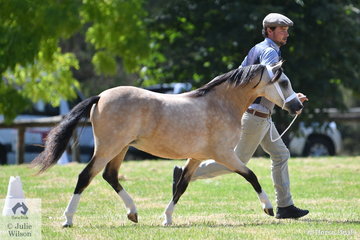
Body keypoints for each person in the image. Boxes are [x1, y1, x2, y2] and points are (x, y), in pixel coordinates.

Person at [172, 13, 309, 219]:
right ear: (269, 31)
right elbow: (271, 78)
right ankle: (185, 174)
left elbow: (242, 75)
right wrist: (291, 101)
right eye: (281, 29)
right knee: (236, 161)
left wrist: (289, 96)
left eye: (287, 30)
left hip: (261, 116)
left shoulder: (256, 49)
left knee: (281, 155)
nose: (286, 34)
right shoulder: (270, 52)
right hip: (255, 116)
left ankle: (285, 206)